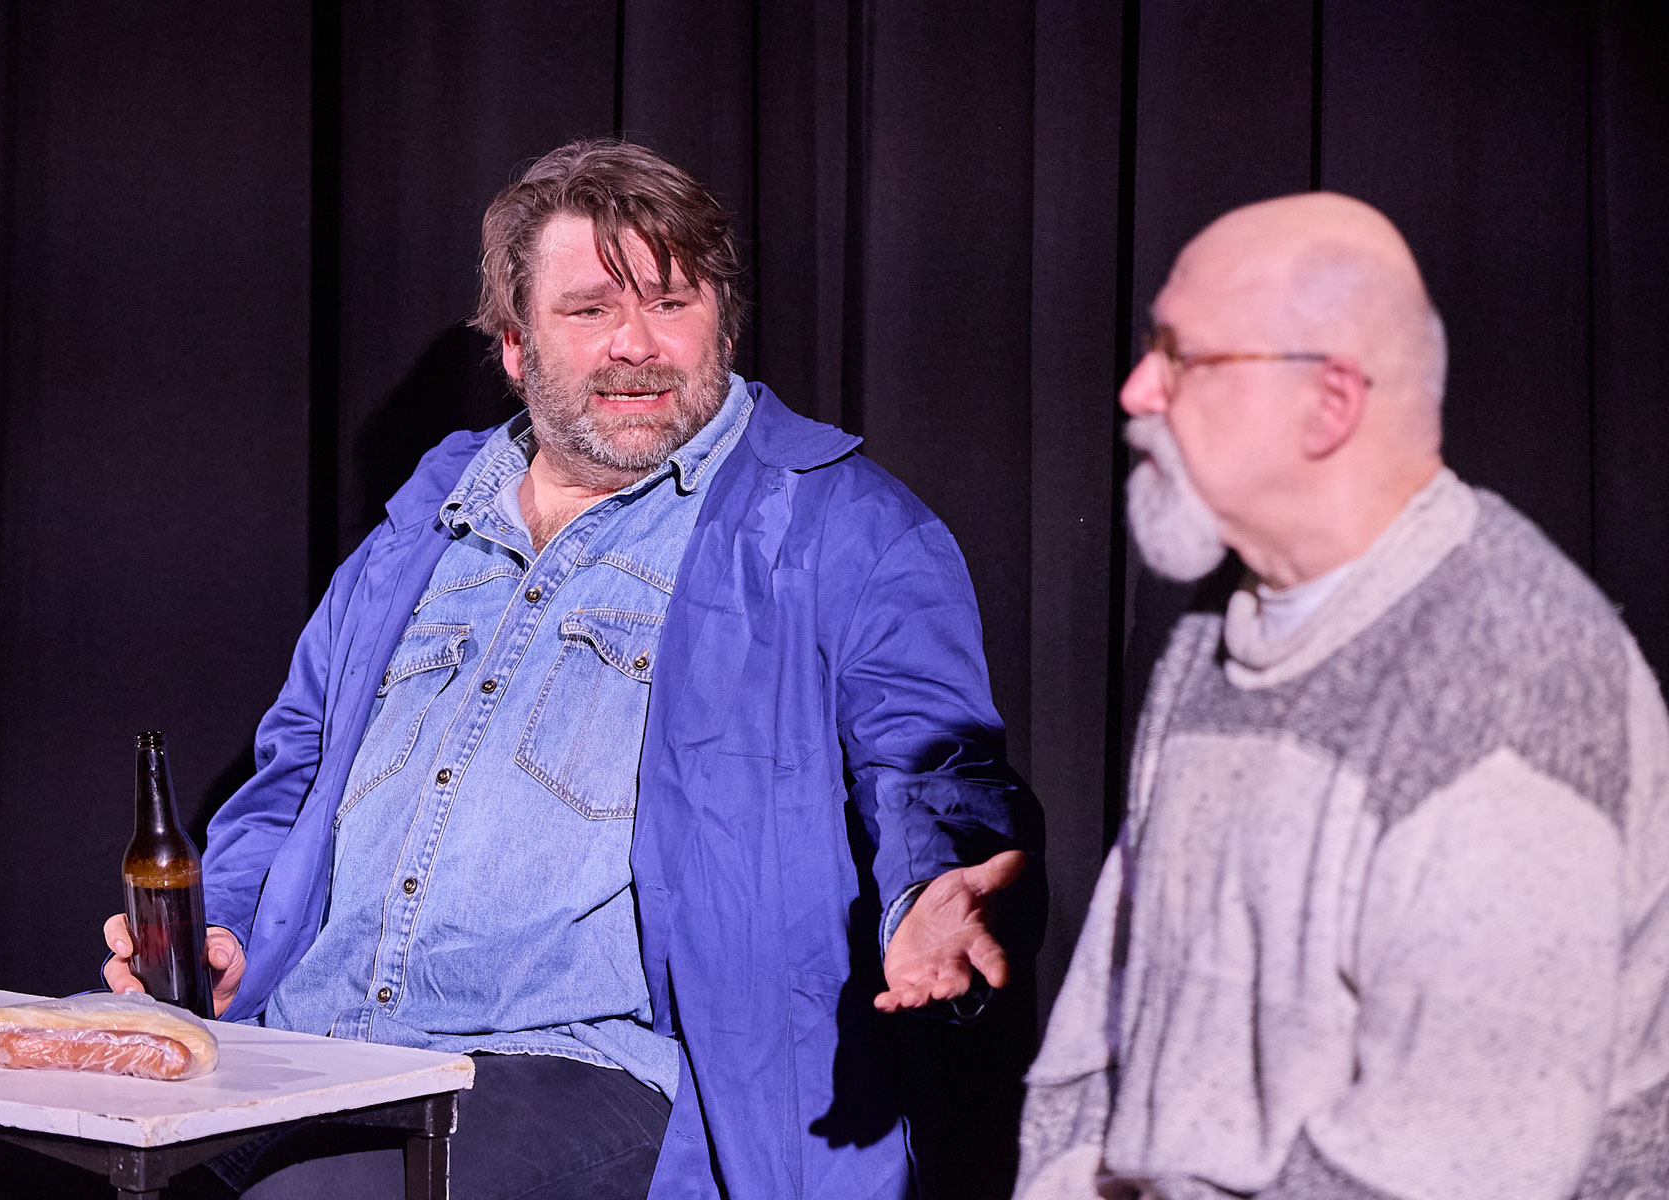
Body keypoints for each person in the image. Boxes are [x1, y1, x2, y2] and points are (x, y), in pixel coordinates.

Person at [100, 139, 1032, 1199]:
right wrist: (219, 926)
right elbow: (297, 773)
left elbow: (934, 759)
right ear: (514, 345)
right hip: (318, 1042)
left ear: (722, 325)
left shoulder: (838, 527)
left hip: (591, 1064)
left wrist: (935, 884)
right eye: (590, 310)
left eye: (672, 304)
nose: (637, 344)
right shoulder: (422, 532)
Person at [1015, 194, 1669, 1199]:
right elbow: (1104, 1019)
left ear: (1330, 403)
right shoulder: (1211, 635)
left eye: (1182, 356)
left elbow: (1454, 1166)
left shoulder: (1511, 672)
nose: (1137, 389)